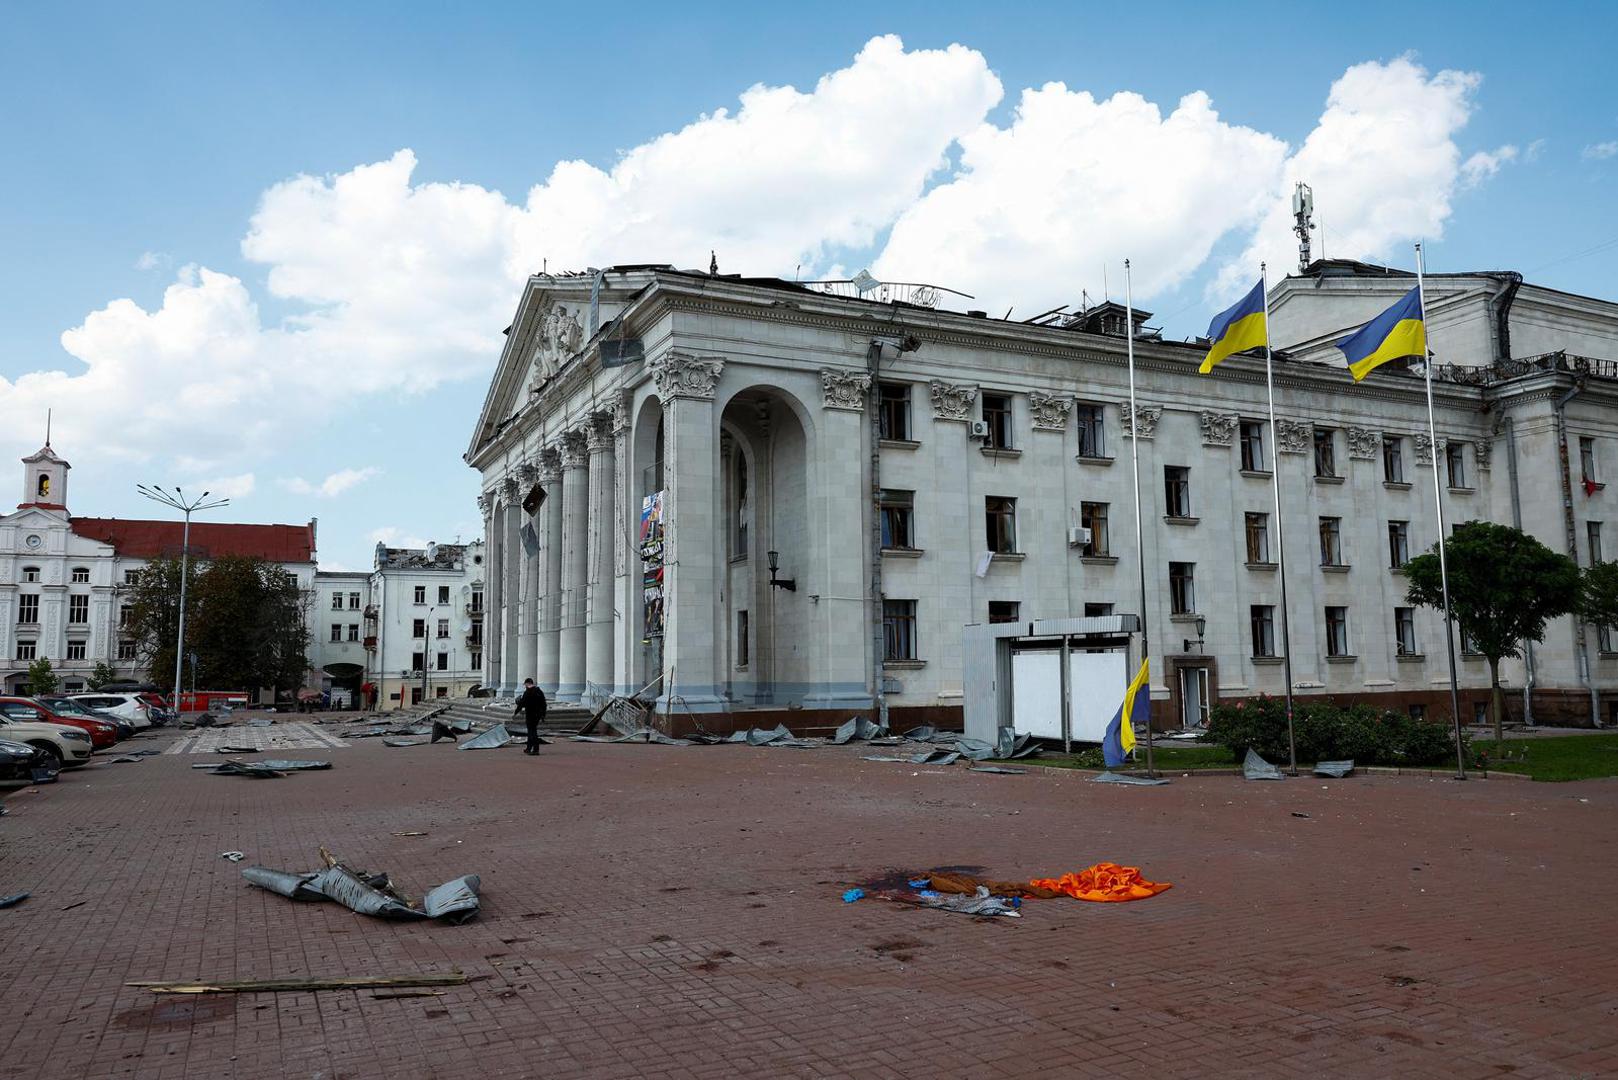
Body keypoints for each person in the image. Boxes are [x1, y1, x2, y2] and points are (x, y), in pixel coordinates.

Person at [514, 678, 547, 755]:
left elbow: (522, 703)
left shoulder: (527, 692)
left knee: (531, 732)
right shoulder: (539, 691)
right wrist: (543, 715)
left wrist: (516, 711)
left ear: (527, 684)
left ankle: (535, 749)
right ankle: (529, 748)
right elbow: (544, 704)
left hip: (530, 714)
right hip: (538, 715)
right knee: (533, 730)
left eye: (525, 684)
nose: (524, 686)